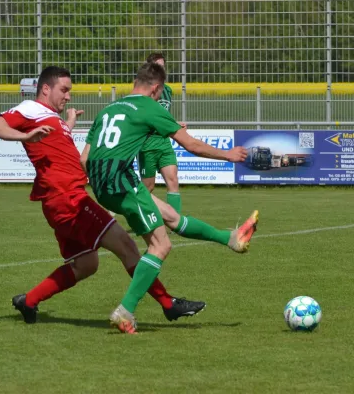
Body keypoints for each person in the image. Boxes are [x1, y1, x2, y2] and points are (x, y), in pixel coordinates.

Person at [0, 66, 206, 325]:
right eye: (64, 90)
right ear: (46, 88)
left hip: (58, 200)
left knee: (86, 264)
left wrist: (67, 124)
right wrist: (25, 135)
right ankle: (168, 304)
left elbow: (56, 148)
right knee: (127, 246)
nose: (68, 96)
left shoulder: (49, 117)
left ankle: (29, 300)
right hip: (69, 199)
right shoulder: (30, 109)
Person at [81, 62, 259, 334]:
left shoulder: (108, 110)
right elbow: (191, 144)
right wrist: (228, 155)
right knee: (161, 246)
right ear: (155, 89)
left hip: (103, 184)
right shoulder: (149, 106)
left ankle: (230, 239)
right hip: (123, 182)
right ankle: (125, 309)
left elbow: (84, 158)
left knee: (172, 217)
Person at [138, 53, 182, 213]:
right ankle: (139, 218)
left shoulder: (168, 90)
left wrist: (174, 123)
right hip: (147, 143)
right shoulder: (143, 91)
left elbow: (163, 114)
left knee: (173, 180)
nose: (162, 69)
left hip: (163, 141)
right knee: (147, 187)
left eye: (163, 66)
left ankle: (175, 223)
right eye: (159, 66)